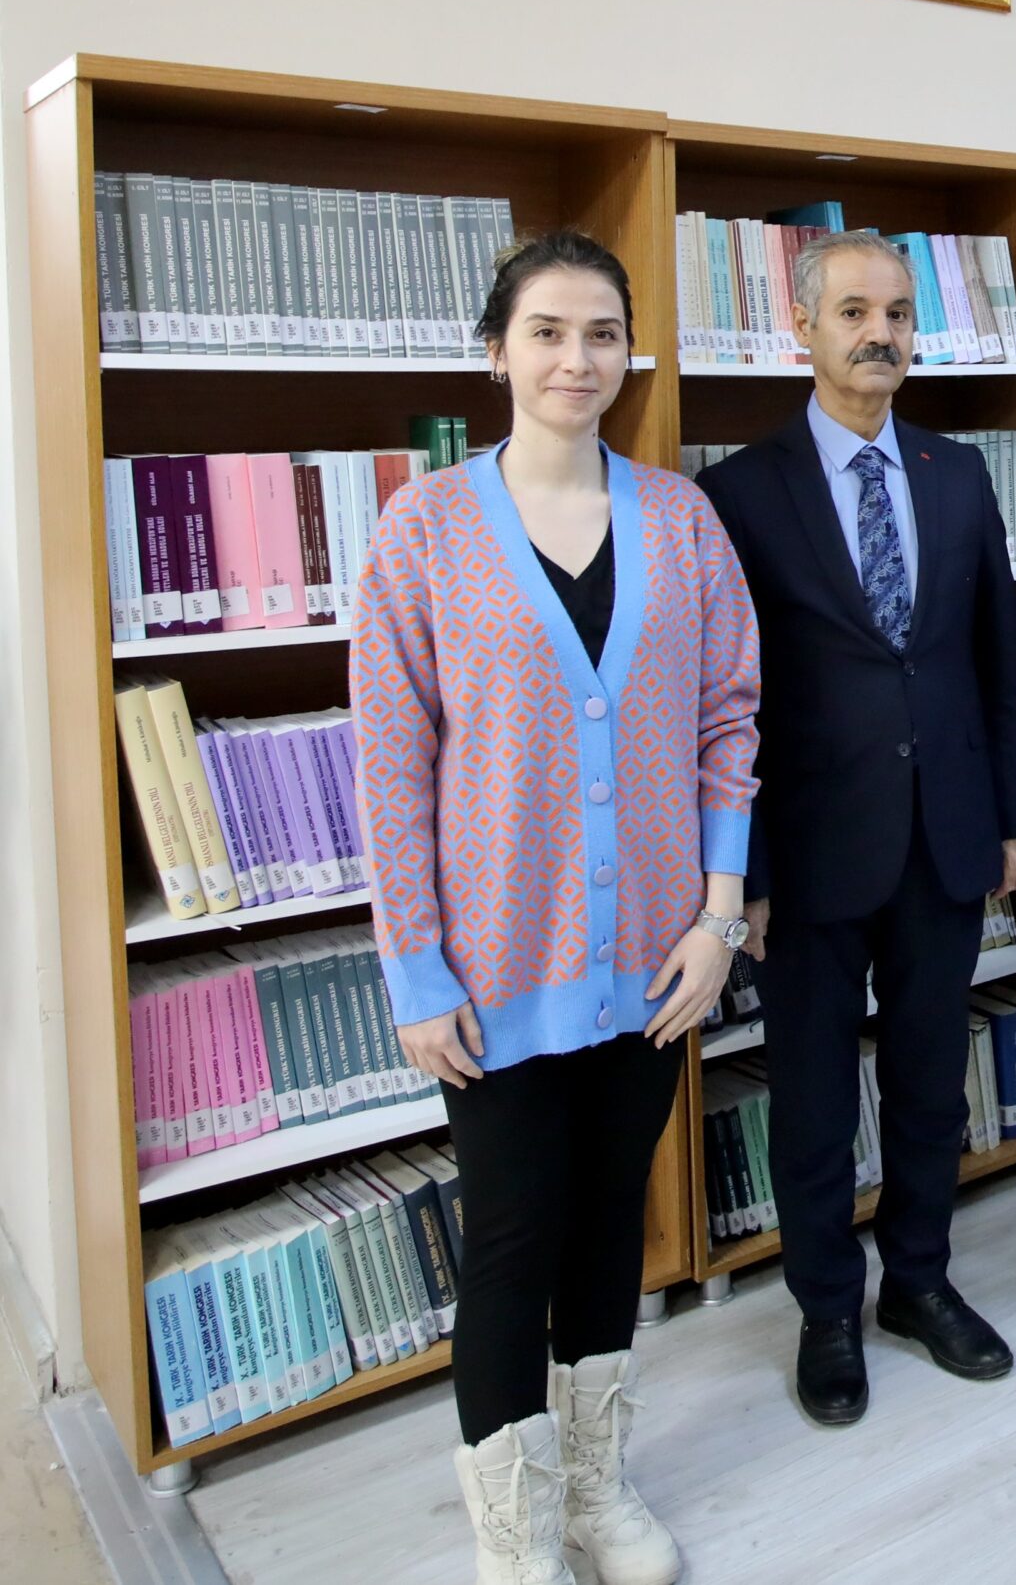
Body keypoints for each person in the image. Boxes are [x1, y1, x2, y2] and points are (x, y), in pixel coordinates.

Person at [353, 231, 760, 1585]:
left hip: (654, 961)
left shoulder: (681, 520)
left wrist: (717, 916)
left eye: (601, 333)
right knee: (512, 1237)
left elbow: (728, 720)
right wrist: (416, 970)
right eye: (546, 331)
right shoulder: (423, 530)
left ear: (628, 352)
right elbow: (390, 764)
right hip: (495, 971)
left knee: (608, 1222)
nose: (576, 359)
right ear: (496, 352)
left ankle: (595, 1485)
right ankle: (515, 1529)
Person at [696, 231, 1016, 1424]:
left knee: (932, 1085)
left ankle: (920, 1284)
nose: (879, 333)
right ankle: (827, 1311)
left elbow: (998, 655)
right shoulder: (738, 492)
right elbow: (724, 702)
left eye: (896, 313)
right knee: (811, 1100)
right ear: (802, 327)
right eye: (853, 311)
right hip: (807, 854)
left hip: (945, 835)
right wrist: (743, 874)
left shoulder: (955, 473)